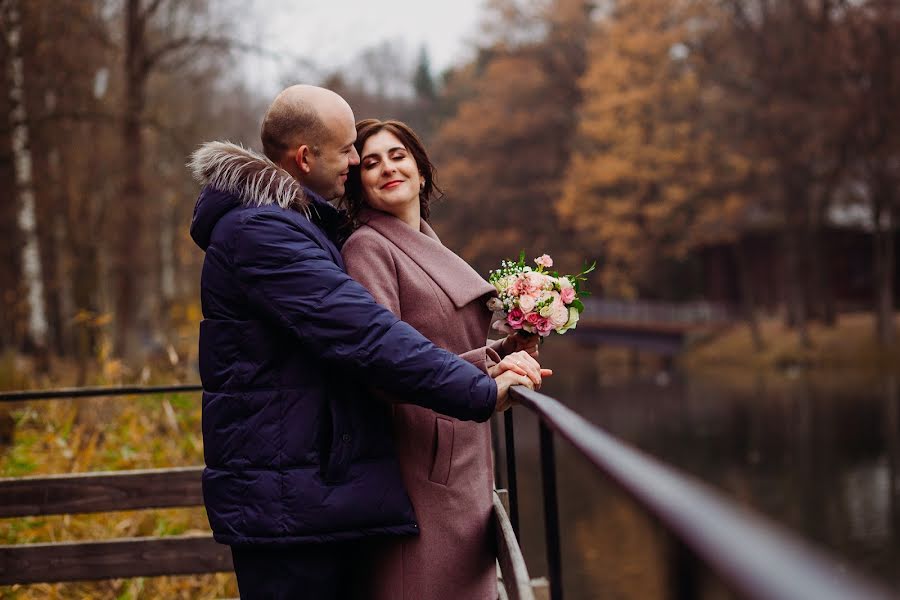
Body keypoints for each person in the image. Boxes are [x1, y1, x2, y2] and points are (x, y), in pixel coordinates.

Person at [187, 85, 542, 600]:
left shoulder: (290, 227)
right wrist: (482, 391)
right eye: (349, 149)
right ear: (305, 158)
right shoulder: (263, 233)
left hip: (301, 488)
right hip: (287, 500)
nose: (354, 162)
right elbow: (369, 337)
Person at [340, 119, 549, 600]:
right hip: (418, 459)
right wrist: (489, 366)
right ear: (358, 182)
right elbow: (382, 362)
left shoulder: (428, 242)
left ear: (419, 167)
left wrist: (508, 351)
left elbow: (444, 345)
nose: (387, 168)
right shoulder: (367, 247)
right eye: (370, 163)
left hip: (462, 449)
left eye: (397, 156)